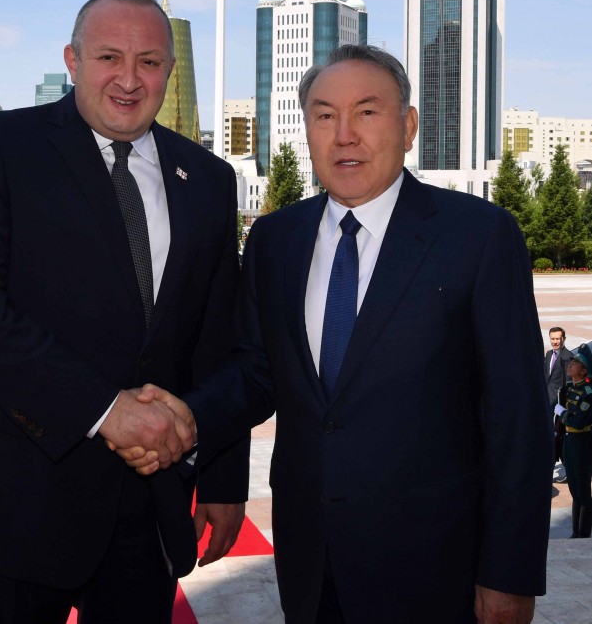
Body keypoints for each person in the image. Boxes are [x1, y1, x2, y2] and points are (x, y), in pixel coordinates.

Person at [122, 44, 552, 623]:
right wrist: (188, 418)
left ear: (408, 126)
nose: (344, 135)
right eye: (324, 115)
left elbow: (518, 416)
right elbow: (257, 372)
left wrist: (509, 572)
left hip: (435, 565)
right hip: (311, 560)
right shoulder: (276, 240)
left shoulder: (478, 236)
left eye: (366, 112)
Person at [0, 0, 247, 624]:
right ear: (72, 59)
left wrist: (224, 480)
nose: (129, 79)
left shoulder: (207, 177)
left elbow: (216, 339)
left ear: (170, 71)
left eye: (149, 62)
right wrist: (105, 411)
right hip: (11, 500)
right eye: (109, 57)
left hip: (148, 506)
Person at [554, 342, 592, 538]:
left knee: (583, 493)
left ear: (584, 370)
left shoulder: (588, 392)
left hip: (582, 444)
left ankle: (583, 534)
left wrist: (563, 413)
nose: (571, 364)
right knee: (575, 492)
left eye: (575, 363)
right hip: (569, 444)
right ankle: (575, 532)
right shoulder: (569, 389)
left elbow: (578, 421)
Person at [546, 327, 573, 482]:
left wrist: (564, 407)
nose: (555, 341)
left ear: (564, 339)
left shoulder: (568, 358)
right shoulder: (549, 354)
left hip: (559, 406)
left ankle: (569, 471)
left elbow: (568, 384)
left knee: (561, 438)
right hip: (548, 403)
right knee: (550, 437)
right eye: (553, 338)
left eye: (558, 338)